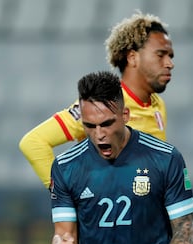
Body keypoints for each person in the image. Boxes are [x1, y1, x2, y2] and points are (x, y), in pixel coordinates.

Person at [50, 71, 193, 244]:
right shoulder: (66, 167)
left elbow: (186, 225)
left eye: (107, 123)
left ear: (125, 115)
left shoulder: (165, 159)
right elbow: (63, 234)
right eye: (90, 126)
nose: (99, 135)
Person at [19, 11, 174, 189]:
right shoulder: (103, 104)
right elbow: (34, 142)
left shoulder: (157, 105)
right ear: (133, 57)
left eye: (170, 56)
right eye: (160, 55)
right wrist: (64, 195)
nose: (170, 63)